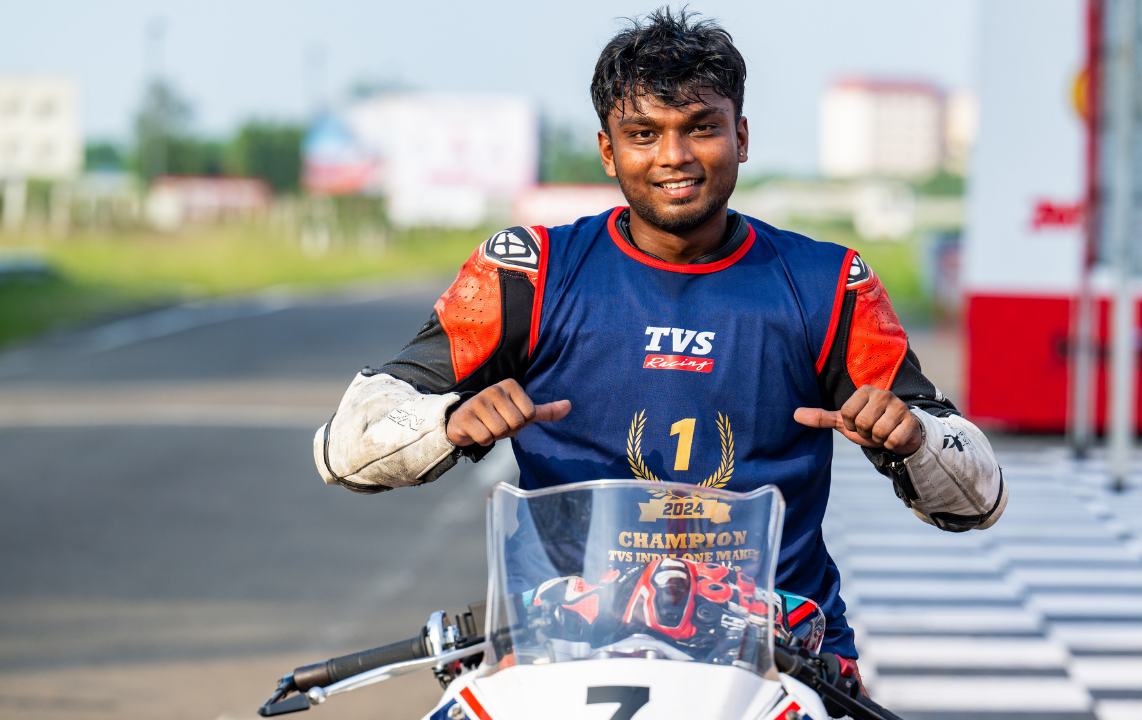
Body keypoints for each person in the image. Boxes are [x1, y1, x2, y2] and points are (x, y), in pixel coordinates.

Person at [313, 6, 1006, 704]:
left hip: (775, 661)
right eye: (643, 134)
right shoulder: (526, 274)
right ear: (609, 151)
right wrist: (447, 423)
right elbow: (344, 446)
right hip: (558, 649)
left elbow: (978, 499)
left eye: (700, 127)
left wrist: (912, 440)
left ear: (740, 136)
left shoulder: (829, 285)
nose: (673, 156)